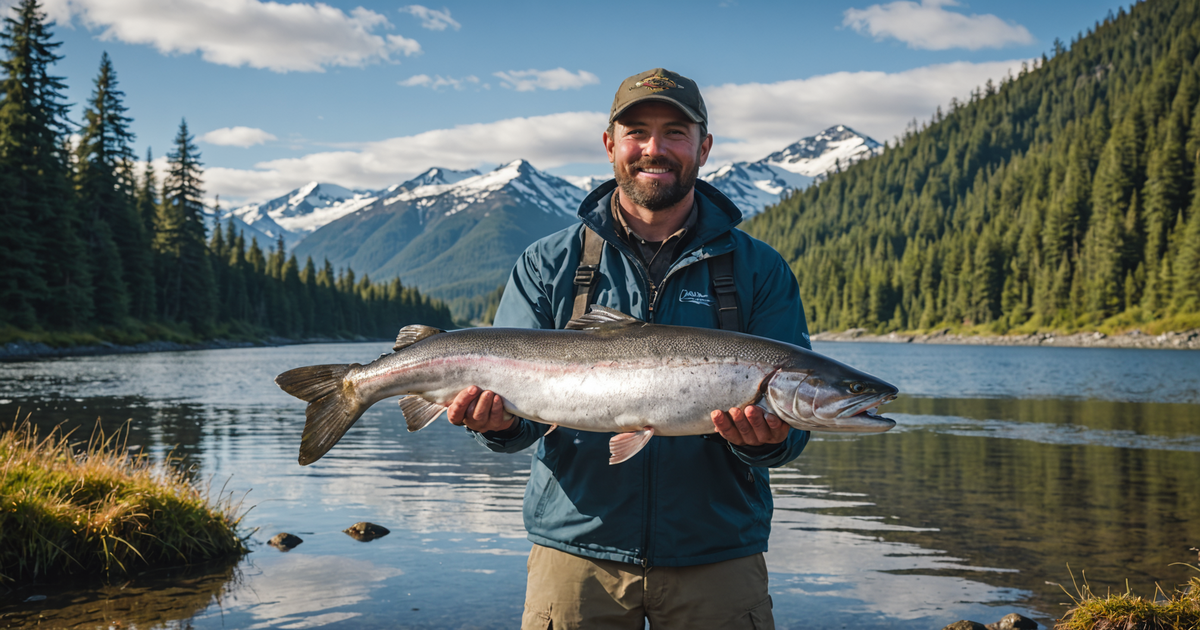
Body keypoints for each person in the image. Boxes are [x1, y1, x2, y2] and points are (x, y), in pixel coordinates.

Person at [446, 68, 812, 629]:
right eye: (637, 131)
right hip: (575, 552)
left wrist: (765, 444)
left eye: (675, 132)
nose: (654, 149)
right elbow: (518, 428)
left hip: (717, 555)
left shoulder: (758, 270)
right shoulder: (548, 263)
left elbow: (794, 434)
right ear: (610, 145)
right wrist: (494, 424)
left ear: (704, 147)